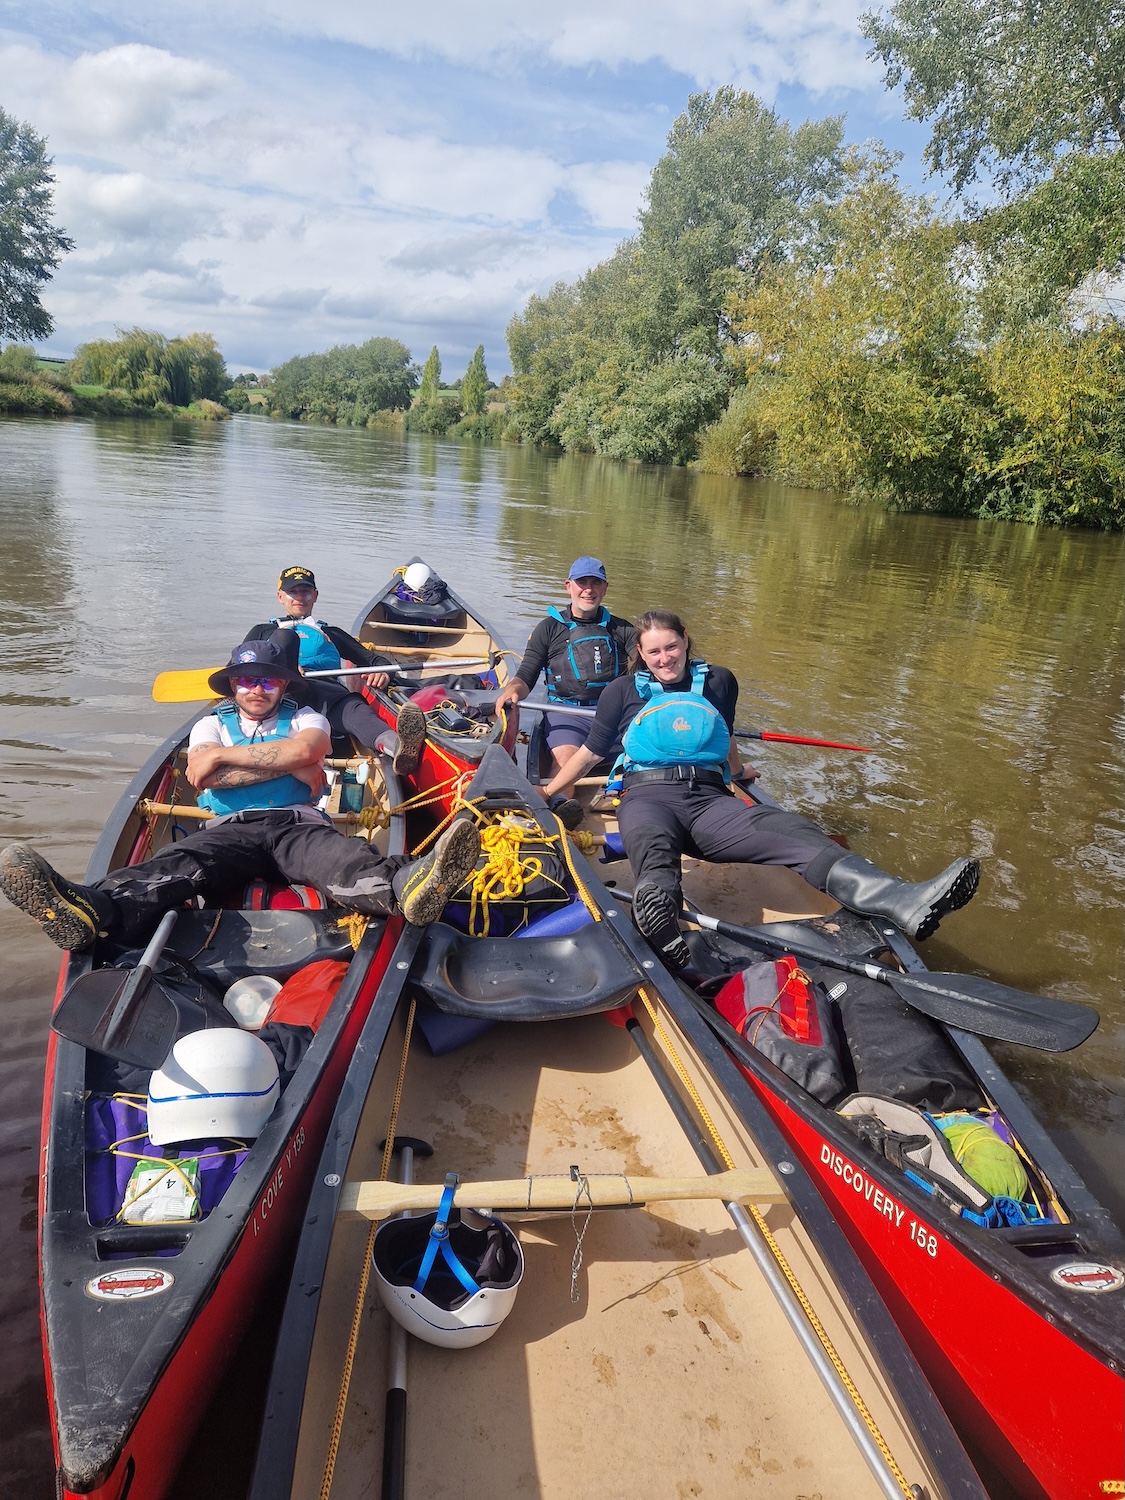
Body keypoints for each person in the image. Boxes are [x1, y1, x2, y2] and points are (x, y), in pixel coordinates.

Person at [542, 609, 979, 967]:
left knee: (792, 830)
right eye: (653, 651)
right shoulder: (621, 690)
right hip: (645, 795)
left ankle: (902, 899)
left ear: (686, 640)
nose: (664, 658)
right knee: (652, 848)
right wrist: (547, 793)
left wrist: (737, 771)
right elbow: (591, 752)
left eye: (671, 646)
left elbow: (722, 737)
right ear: (639, 652)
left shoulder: (718, 681)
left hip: (710, 801)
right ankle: (661, 921)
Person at [0, 634, 481, 952]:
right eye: (247, 680)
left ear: (281, 685)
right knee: (177, 867)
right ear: (232, 685)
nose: (257, 688)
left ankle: (411, 885)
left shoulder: (306, 718)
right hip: (229, 831)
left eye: (268, 679)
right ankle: (90, 909)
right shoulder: (210, 722)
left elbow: (302, 749)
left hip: (296, 825)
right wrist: (288, 761)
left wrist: (231, 762)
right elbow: (204, 775)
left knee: (345, 863)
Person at [244, 566, 425, 776]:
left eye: (306, 591)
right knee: (284, 639)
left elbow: (376, 661)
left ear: (315, 596)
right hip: (278, 693)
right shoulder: (262, 631)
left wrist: (384, 673)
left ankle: (398, 748)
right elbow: (237, 667)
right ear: (280, 596)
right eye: (293, 592)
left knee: (354, 707)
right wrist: (284, 667)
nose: (299, 598)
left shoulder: (332, 633)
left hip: (327, 695)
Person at [495, 557, 635, 798]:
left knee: (648, 757)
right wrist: (513, 690)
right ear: (568, 586)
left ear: (605, 588)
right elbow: (526, 675)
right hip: (568, 714)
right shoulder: (548, 629)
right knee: (566, 758)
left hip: (615, 715)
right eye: (582, 582)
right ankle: (561, 808)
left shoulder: (622, 630)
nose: (588, 589)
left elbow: (650, 668)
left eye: (596, 583)